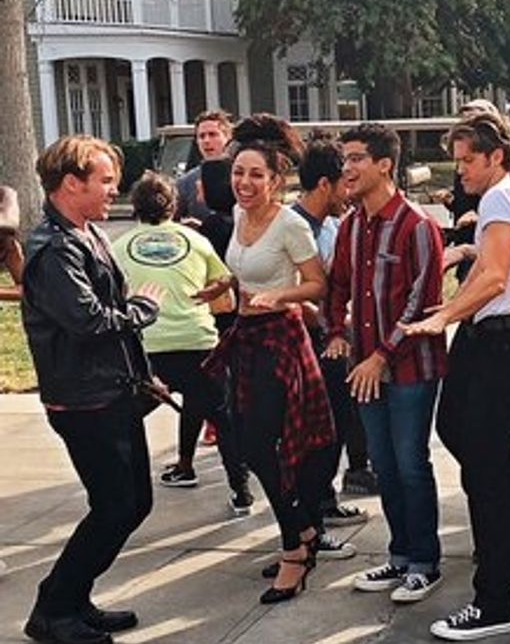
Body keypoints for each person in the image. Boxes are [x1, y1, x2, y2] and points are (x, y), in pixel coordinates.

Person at [402, 107, 510, 641]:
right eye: (457, 159)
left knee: (483, 463)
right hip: (494, 332)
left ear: (496, 157)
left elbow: (493, 277)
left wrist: (443, 315)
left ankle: (496, 601)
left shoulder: (503, 196)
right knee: (463, 435)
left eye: (469, 159)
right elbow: (488, 269)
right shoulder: (506, 196)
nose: (460, 168)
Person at [20, 136, 162, 644]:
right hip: (84, 402)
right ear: (71, 183)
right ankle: (54, 608)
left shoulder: (86, 234)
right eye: (104, 180)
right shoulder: (55, 248)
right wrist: (144, 311)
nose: (115, 189)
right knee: (115, 506)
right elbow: (87, 322)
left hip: (112, 394)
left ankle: (73, 598)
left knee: (132, 502)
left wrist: (141, 375)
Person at [197, 115, 334, 607]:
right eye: (239, 173)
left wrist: (279, 297)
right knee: (249, 443)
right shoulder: (238, 216)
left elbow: (317, 283)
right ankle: (302, 533)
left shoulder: (291, 223)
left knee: (268, 446)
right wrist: (226, 286)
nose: (245, 183)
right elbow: (245, 270)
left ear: (276, 180)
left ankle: (296, 545)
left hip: (281, 340)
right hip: (246, 337)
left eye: (256, 175)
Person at [328, 123, 448, 605]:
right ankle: (399, 556)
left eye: (357, 158)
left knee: (412, 463)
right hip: (365, 370)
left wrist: (380, 355)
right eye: (345, 159)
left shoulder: (418, 226)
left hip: (410, 369)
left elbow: (423, 302)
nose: (347, 168)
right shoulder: (352, 225)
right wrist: (337, 330)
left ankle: (425, 562)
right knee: (384, 465)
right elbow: (337, 284)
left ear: (384, 165)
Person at [110, 172, 250, 516]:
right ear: (174, 207)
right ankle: (241, 491)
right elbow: (224, 286)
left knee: (123, 418)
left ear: (135, 208)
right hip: (198, 339)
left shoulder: (118, 248)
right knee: (222, 416)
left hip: (148, 345)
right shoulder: (196, 240)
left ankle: (120, 491)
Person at [291, 137, 370, 537]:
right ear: (325, 184)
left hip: (333, 341)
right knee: (318, 434)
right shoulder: (292, 227)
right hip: (305, 346)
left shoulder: (335, 225)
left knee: (337, 426)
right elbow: (288, 290)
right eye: (345, 183)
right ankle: (311, 515)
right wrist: (329, 323)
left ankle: (323, 502)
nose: (350, 191)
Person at [175, 109, 233, 224]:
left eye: (213, 135)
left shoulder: (241, 176)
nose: (206, 141)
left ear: (228, 137)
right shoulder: (186, 183)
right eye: (201, 136)